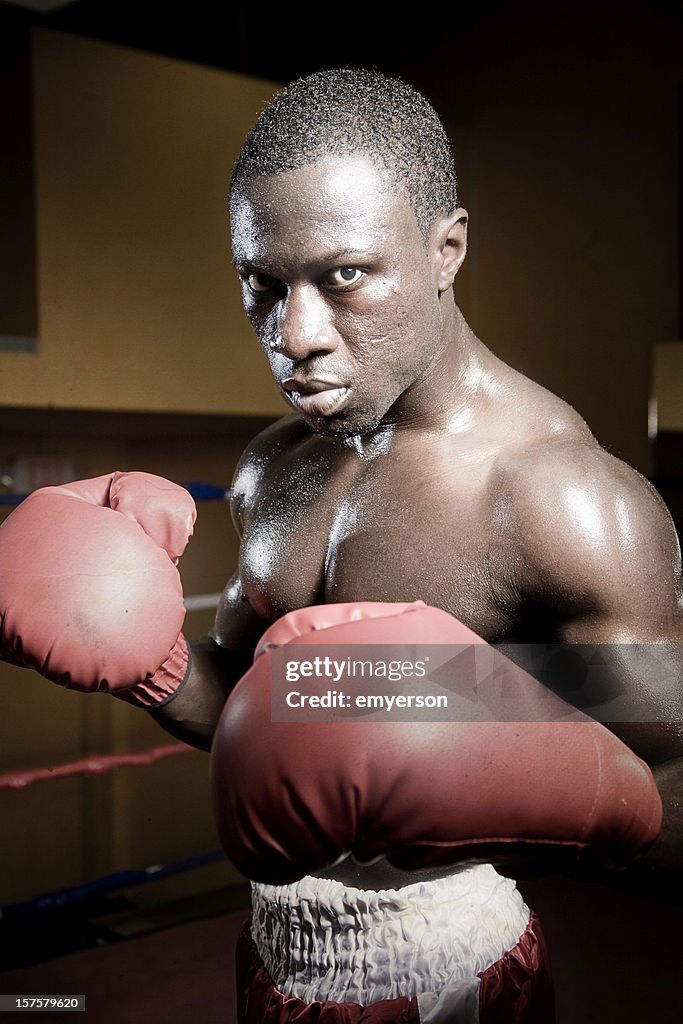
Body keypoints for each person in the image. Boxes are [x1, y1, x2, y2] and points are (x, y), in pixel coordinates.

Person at [0, 68, 681, 1022]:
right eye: (262, 284)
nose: (296, 335)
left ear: (446, 249)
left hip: (457, 976)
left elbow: (673, 800)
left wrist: (481, 759)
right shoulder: (273, 471)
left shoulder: (559, 504)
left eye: (344, 275)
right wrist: (147, 664)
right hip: (276, 955)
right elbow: (252, 716)